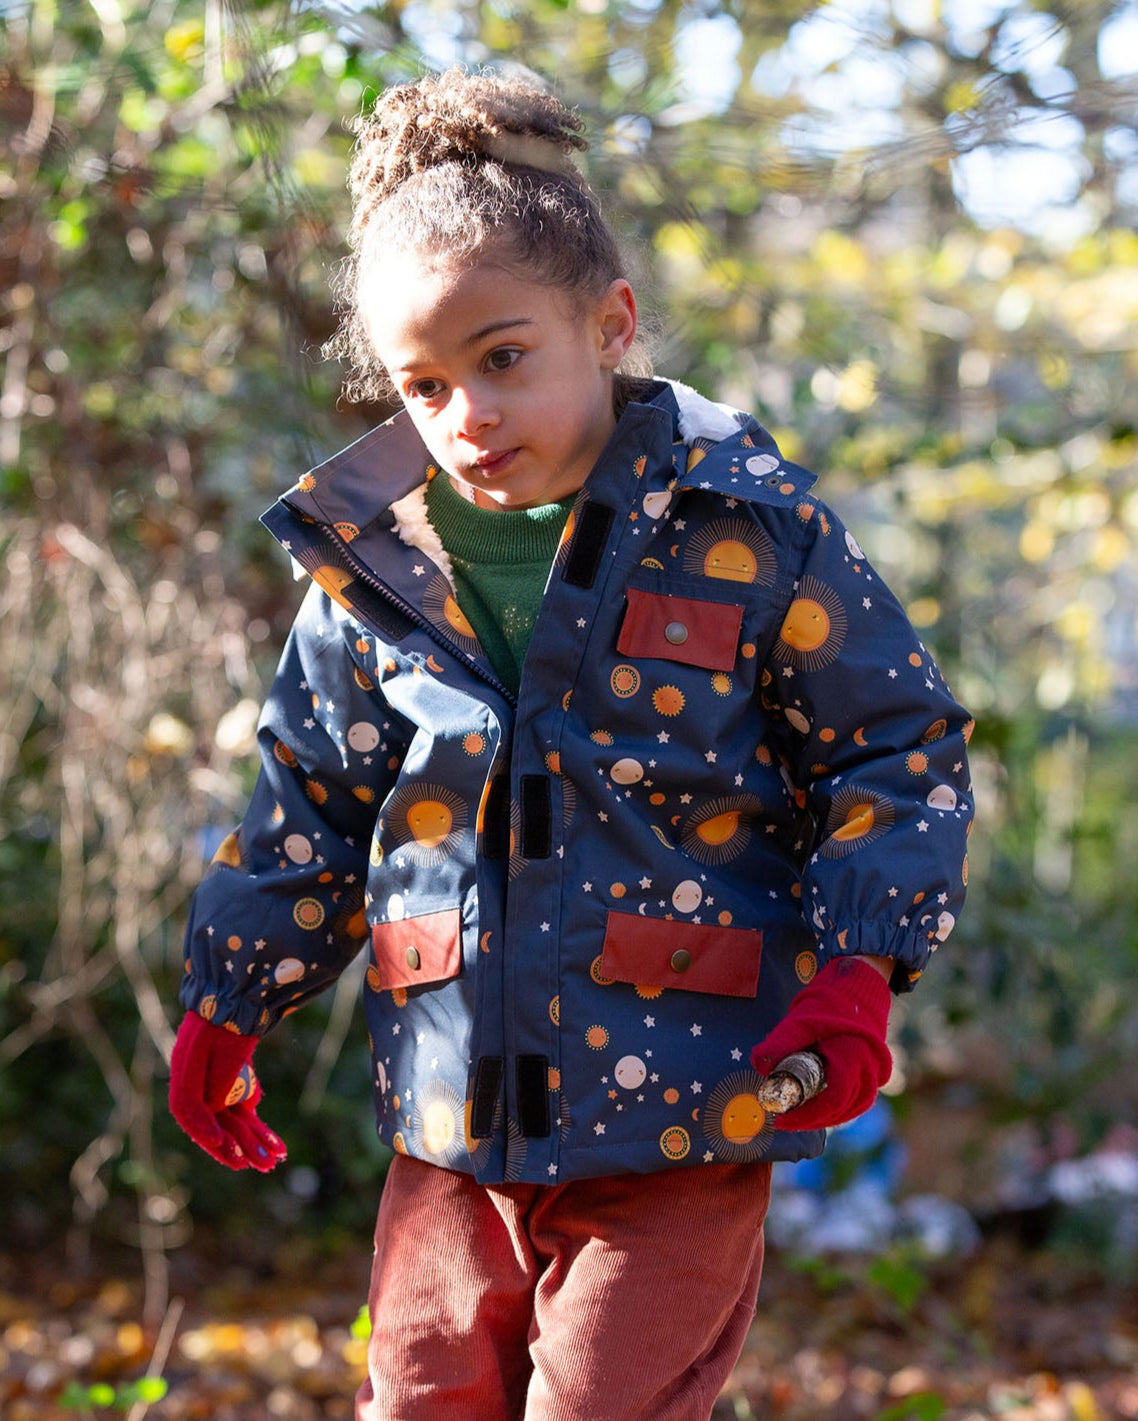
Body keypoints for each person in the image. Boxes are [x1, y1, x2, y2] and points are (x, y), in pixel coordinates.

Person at [169, 68, 974, 1421]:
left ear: (606, 325)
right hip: (450, 1114)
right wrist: (230, 993)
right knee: (420, 1398)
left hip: (683, 1108)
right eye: (424, 385)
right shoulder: (371, 571)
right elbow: (306, 801)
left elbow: (894, 749)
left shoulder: (749, 534)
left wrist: (853, 974)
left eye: (502, 359)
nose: (466, 416)